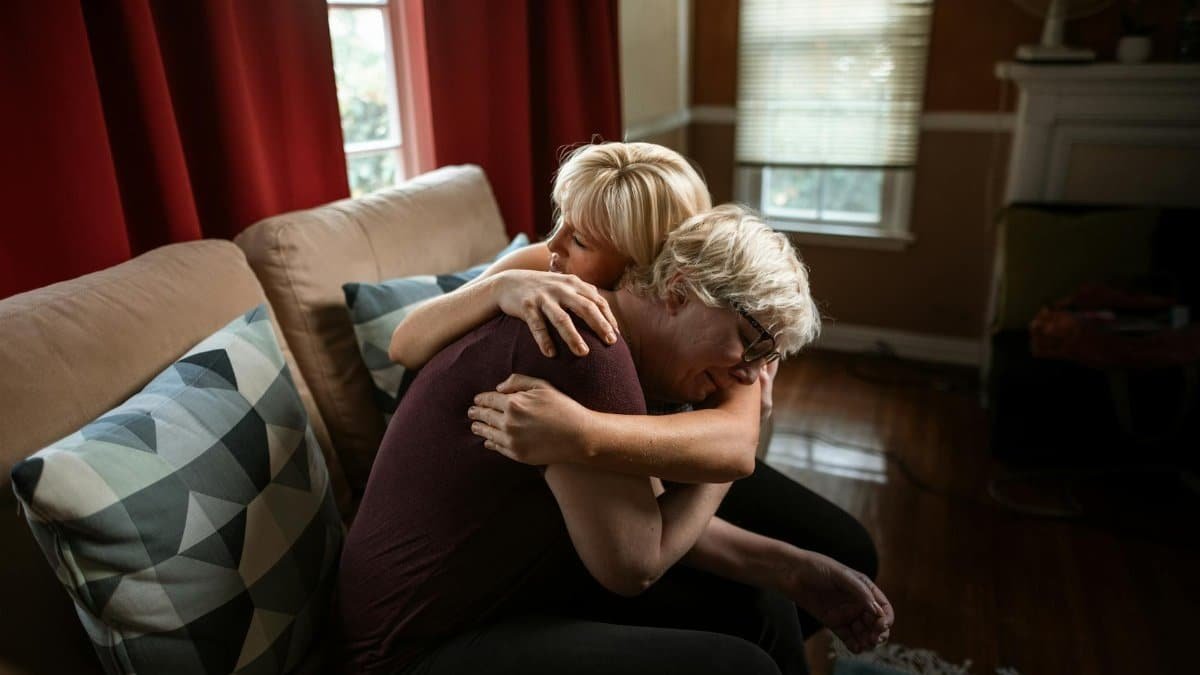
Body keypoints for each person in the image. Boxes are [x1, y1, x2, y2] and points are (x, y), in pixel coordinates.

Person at [337, 206, 892, 675]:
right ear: (678, 291)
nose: (750, 376)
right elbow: (633, 565)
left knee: (762, 606)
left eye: (767, 359)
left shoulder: (620, 342)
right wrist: (734, 453)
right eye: (748, 344)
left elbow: (639, 517)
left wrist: (792, 568)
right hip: (420, 646)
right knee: (738, 666)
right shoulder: (580, 345)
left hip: (523, 583)